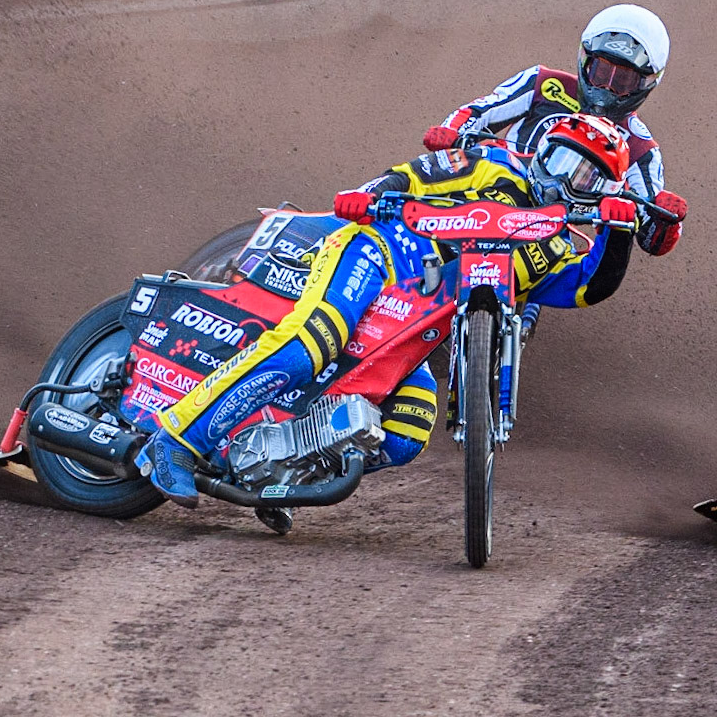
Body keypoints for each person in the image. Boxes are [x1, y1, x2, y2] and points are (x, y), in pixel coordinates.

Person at [135, 115, 639, 507]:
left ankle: (286, 475)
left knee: (408, 430)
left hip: (412, 326)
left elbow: (589, 288)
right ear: (540, 151)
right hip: (378, 255)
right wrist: (370, 194)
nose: (568, 179)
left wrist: (620, 232)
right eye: (561, 160)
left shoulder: (554, 244)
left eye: (588, 176)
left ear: (603, 192)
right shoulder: (494, 163)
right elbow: (413, 173)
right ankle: (175, 439)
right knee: (312, 343)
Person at [422, 3, 687, 259]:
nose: (606, 87)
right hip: (486, 191)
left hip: (551, 231)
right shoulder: (543, 82)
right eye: (601, 71)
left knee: (553, 281)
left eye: (622, 80)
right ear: (585, 61)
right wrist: (450, 132)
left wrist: (666, 221)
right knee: (420, 218)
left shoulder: (641, 149)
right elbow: (481, 110)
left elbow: (651, 232)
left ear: (646, 83)